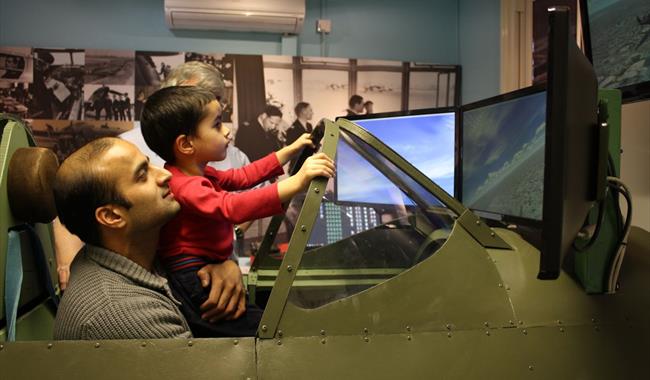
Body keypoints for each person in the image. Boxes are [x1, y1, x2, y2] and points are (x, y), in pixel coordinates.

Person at [140, 86, 335, 337]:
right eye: (217, 125)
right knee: (262, 331)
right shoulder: (184, 184)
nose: (227, 130)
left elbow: (243, 176)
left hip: (205, 268)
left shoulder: (198, 172)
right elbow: (230, 207)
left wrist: (291, 150)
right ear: (186, 144)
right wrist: (296, 182)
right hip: (194, 276)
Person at [53, 137, 188, 339]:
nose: (165, 174)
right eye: (142, 175)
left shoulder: (130, 254)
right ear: (112, 216)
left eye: (149, 163)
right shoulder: (122, 312)